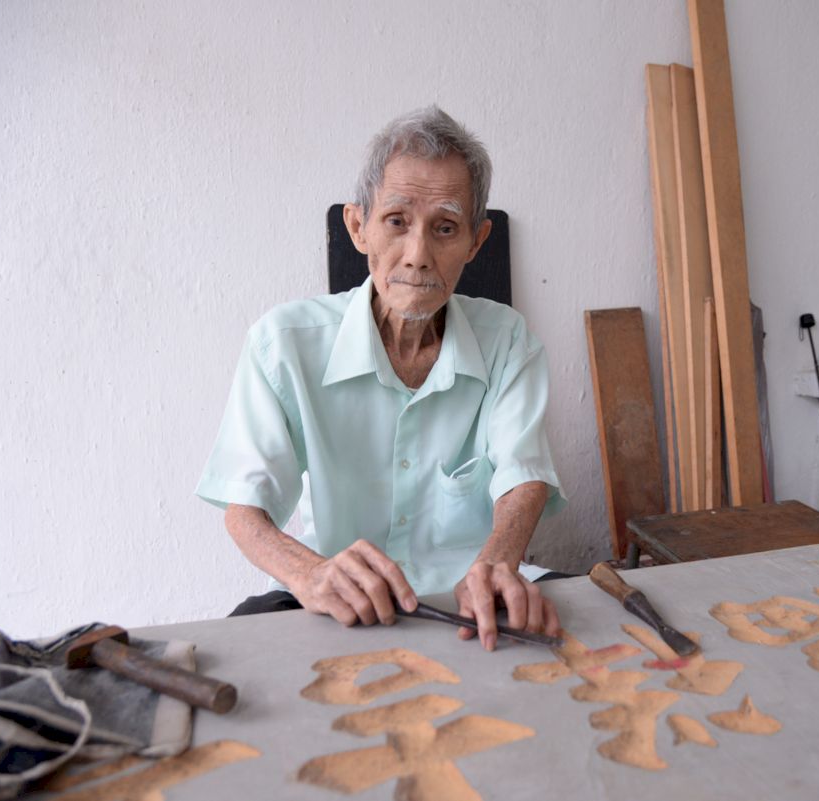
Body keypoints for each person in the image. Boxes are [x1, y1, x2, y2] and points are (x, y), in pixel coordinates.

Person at [196, 106, 567, 651]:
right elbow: (244, 507)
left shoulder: (508, 342)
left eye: (445, 228)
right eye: (396, 221)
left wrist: (495, 563)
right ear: (358, 226)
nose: (418, 256)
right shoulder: (284, 343)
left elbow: (524, 477)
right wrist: (309, 574)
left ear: (476, 242)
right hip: (335, 598)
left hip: (469, 597)